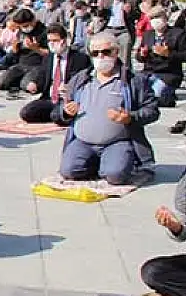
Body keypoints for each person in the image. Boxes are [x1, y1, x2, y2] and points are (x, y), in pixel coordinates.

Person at [52, 32, 158, 186]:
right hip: (83, 141)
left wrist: (130, 117)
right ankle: (97, 164)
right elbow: (57, 111)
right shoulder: (82, 78)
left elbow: (152, 110)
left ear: (116, 52)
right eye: (95, 53)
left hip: (118, 141)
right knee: (68, 171)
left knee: (115, 175)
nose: (101, 56)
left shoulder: (132, 80)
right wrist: (66, 112)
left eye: (106, 52)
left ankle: (121, 161)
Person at [20, 24, 91, 124]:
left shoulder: (79, 58)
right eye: (49, 41)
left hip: (66, 100)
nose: (52, 44)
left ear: (64, 40)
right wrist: (35, 83)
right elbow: (43, 74)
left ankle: (60, 114)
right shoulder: (48, 57)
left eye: (55, 40)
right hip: (49, 98)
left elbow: (83, 80)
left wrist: (69, 88)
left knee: (57, 115)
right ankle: (56, 114)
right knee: (26, 112)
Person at [136, 5, 186, 110]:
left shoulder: (178, 34)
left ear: (165, 18)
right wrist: (142, 55)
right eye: (152, 18)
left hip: (168, 74)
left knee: (154, 95)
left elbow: (184, 56)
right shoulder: (148, 34)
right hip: (149, 72)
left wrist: (168, 53)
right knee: (137, 93)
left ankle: (168, 97)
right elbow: (138, 57)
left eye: (158, 17)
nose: (155, 21)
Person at [0, 8, 49, 93]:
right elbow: (16, 52)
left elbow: (50, 54)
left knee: (31, 87)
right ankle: (19, 81)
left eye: (26, 26)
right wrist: (15, 49)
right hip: (21, 64)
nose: (24, 28)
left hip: (37, 65)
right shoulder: (21, 32)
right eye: (21, 26)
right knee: (1, 84)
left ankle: (26, 82)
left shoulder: (45, 32)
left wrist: (35, 48)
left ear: (33, 20)